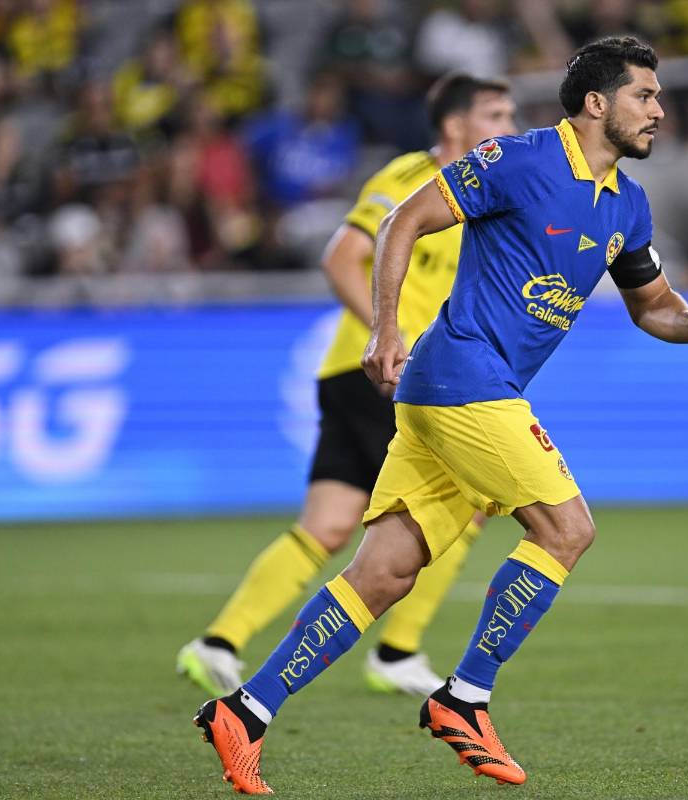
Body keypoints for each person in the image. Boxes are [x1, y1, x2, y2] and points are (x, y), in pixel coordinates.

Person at [191, 36, 688, 795]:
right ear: (596, 103)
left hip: (453, 395)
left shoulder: (629, 204)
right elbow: (402, 223)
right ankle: (465, 697)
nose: (658, 110)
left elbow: (655, 308)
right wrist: (386, 328)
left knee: (383, 573)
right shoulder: (518, 160)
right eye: (644, 95)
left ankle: (245, 713)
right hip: (462, 377)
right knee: (568, 528)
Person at [176, 72, 517, 701]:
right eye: (495, 114)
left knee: (328, 524)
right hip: (388, 373)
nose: (509, 127)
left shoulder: (483, 193)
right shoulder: (407, 178)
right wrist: (393, 333)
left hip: (352, 371)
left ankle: (218, 641)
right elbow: (341, 256)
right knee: (470, 502)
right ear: (454, 126)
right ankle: (397, 650)